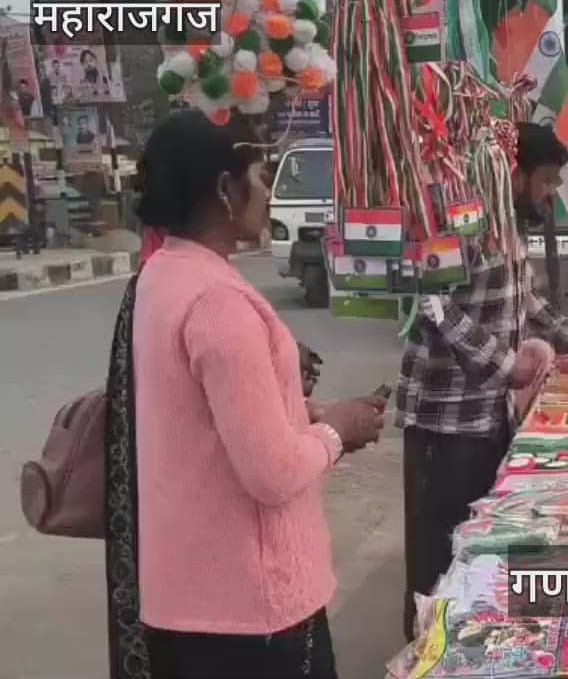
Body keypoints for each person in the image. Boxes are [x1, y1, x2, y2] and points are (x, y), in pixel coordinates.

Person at [110, 110, 386, 679]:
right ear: (223, 188)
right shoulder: (217, 301)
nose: (267, 193)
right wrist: (338, 430)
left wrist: (303, 413)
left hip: (189, 602)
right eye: (261, 178)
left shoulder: (161, 277)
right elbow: (272, 473)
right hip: (249, 613)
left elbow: (198, 417)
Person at [395, 121, 568, 639]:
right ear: (513, 171)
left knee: (477, 553)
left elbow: (526, 302)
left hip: (488, 417)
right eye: (546, 180)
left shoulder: (508, 224)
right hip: (444, 422)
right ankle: (425, 652)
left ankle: (466, 644)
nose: (553, 192)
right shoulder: (459, 219)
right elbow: (427, 298)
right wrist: (503, 365)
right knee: (436, 559)